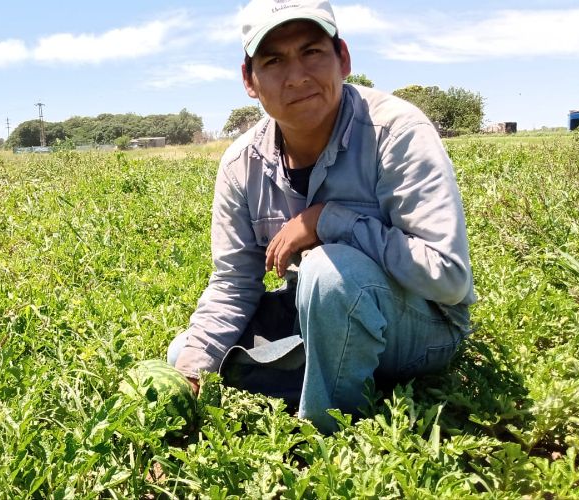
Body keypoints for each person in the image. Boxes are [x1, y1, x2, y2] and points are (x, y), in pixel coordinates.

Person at [167, 0, 475, 433]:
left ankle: (326, 432)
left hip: (423, 324)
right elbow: (234, 282)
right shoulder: (242, 164)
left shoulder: (397, 132)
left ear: (343, 59)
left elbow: (448, 278)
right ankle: (334, 370)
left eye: (312, 52)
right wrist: (193, 369)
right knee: (184, 352)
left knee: (328, 273)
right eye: (274, 60)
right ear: (249, 80)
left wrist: (330, 221)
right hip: (318, 310)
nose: (296, 77)